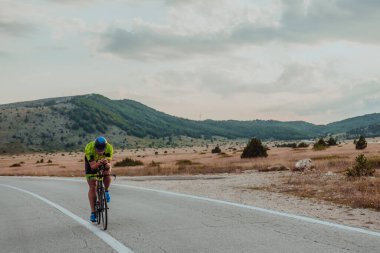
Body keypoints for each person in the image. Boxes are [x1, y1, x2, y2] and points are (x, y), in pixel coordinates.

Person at [84, 136, 114, 222]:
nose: (100, 151)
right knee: (93, 185)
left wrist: (107, 165)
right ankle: (93, 212)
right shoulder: (89, 148)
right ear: (95, 147)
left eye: (102, 150)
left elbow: (109, 165)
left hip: (103, 161)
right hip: (91, 163)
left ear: (105, 147)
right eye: (98, 149)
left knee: (107, 172)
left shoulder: (109, 148)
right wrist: (99, 162)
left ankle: (107, 191)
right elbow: (93, 167)